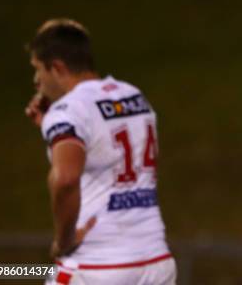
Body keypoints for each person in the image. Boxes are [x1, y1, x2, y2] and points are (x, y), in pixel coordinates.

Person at [25, 19, 176, 285]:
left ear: (57, 67)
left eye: (38, 70)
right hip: (155, 261)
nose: (37, 81)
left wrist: (64, 240)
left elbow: (65, 178)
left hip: (96, 264)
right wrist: (54, 133)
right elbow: (125, 159)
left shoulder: (68, 110)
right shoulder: (134, 95)